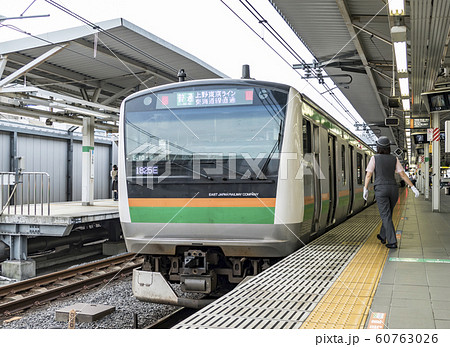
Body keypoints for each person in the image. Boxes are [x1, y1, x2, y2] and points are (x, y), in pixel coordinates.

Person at [363, 136, 419, 249]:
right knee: (387, 214)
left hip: (381, 189)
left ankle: (392, 241)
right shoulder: (394, 159)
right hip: (393, 190)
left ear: (378, 147)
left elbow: (369, 174)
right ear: (389, 148)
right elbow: (402, 174)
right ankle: (383, 236)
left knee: (385, 215)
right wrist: (412, 186)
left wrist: (365, 188)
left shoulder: (374, 158)